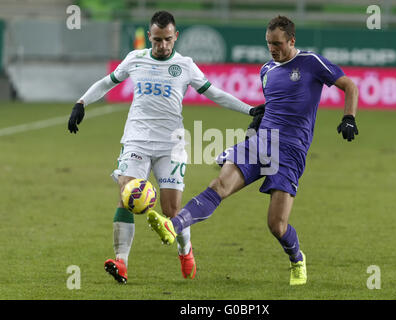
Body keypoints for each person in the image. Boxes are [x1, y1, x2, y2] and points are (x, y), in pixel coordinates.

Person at [145, 15, 359, 285]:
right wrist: (257, 123)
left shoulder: (311, 62)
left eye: (278, 44)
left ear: (292, 40)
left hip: (291, 152)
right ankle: (173, 225)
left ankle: (297, 259)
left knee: (276, 225)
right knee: (220, 184)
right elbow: (277, 105)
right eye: (269, 43)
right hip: (259, 143)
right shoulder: (267, 70)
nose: (273, 49)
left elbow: (349, 85)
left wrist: (348, 117)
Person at [67, 10, 264, 284]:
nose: (162, 46)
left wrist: (250, 109)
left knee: (171, 211)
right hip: (136, 139)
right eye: (157, 40)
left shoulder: (185, 65)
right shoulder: (135, 59)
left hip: (170, 146)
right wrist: (81, 103)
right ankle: (121, 262)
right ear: (149, 36)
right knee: (127, 195)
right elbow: (107, 82)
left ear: (176, 37)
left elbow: (215, 93)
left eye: (167, 40)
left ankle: (185, 251)